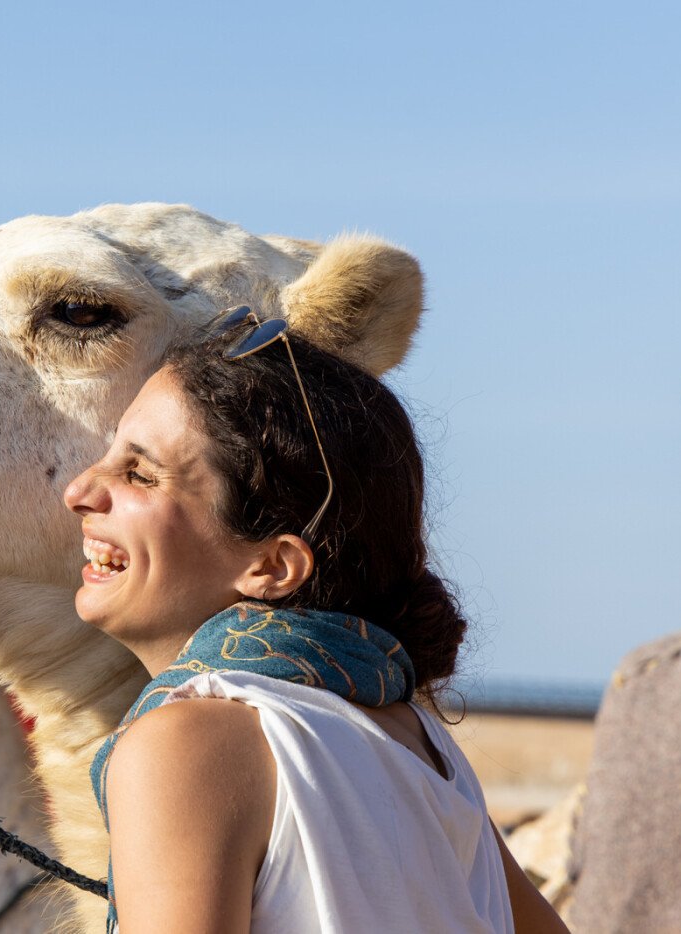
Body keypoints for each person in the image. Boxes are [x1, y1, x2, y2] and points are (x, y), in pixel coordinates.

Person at [62, 308, 567, 933]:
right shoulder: (420, 745)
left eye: (140, 472)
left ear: (273, 565)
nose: (80, 490)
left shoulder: (190, 743)